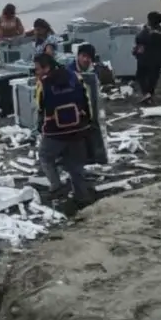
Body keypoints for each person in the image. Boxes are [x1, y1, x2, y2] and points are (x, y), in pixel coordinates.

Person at [33, 53, 94, 206]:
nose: (36, 73)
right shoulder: (74, 76)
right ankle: (82, 196)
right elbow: (87, 100)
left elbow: (41, 107)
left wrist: (40, 128)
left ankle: (56, 186)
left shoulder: (44, 84)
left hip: (56, 131)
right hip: (79, 128)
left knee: (45, 156)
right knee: (75, 165)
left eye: (37, 69)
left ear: (46, 68)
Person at [133, 12, 161, 105]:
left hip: (145, 59)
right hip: (158, 59)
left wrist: (136, 52)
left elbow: (139, 41)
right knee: (153, 77)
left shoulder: (146, 33)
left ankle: (146, 94)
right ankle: (150, 93)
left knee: (141, 76)